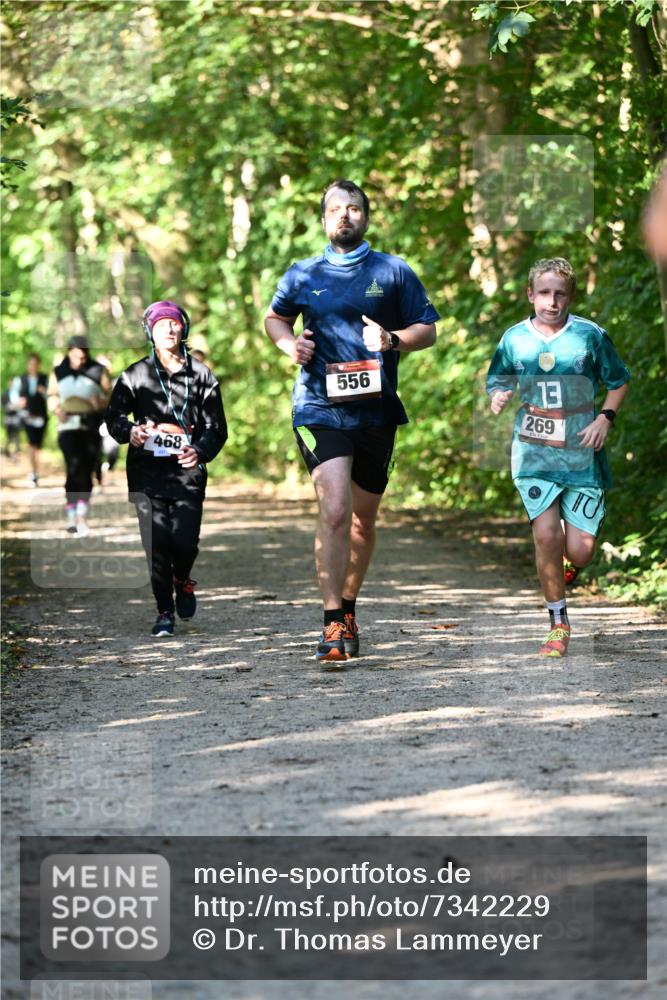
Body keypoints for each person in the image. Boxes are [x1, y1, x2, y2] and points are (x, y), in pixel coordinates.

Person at [264, 179, 439, 663]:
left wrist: (394, 341)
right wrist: (288, 344)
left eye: (354, 208)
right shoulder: (302, 273)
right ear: (324, 219)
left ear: (366, 216)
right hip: (318, 404)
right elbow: (275, 318)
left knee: (362, 520)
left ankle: (349, 605)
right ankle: (330, 622)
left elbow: (427, 329)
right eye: (336, 209)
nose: (345, 215)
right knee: (336, 509)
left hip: (376, 409)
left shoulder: (393, 271)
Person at [486, 257, 630, 657]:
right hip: (533, 451)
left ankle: (566, 566)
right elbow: (497, 379)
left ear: (570, 297)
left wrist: (605, 417)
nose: (552, 302)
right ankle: (558, 623)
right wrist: (498, 395)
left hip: (581, 454)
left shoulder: (589, 336)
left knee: (581, 550)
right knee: (546, 535)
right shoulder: (514, 338)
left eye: (560, 294)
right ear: (531, 295)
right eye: (544, 293)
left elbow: (619, 381)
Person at [105, 300, 227, 638]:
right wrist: (130, 431)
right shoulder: (134, 375)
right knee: (157, 544)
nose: (169, 330)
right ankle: (164, 612)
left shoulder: (201, 375)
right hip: (146, 474)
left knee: (185, 543)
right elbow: (113, 418)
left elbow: (217, 428)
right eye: (161, 325)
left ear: (183, 329)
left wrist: (199, 451)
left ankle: (183, 581)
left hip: (187, 472)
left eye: (174, 324)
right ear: (150, 332)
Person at [49, 336, 110, 534]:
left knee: (86, 470)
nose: (80, 359)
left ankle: (82, 515)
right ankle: (71, 513)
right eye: (76, 356)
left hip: (90, 427)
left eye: (83, 356)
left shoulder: (98, 370)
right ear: (69, 352)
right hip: (67, 428)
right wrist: (58, 411)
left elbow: (110, 398)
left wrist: (98, 403)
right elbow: (52, 396)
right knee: (73, 467)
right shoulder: (58, 372)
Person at [17, 352, 49, 486]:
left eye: (35, 364)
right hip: (27, 416)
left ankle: (36, 470)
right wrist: (19, 402)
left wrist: (44, 392)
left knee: (37, 446)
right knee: (31, 444)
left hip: (41, 416)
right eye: (31, 364)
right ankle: (33, 472)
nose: (33, 366)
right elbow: (15, 396)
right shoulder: (22, 379)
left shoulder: (44, 378)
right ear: (28, 365)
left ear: (39, 365)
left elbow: (52, 395)